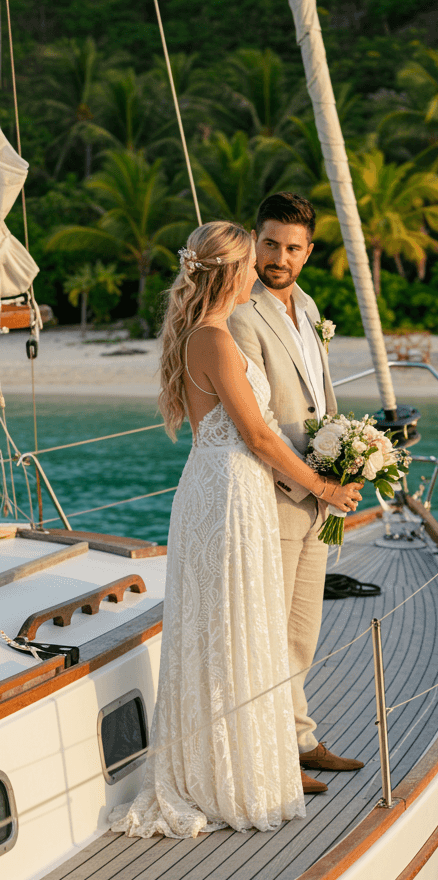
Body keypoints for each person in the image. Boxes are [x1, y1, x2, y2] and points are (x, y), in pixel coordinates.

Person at [111, 220, 362, 839]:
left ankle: (250, 758)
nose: (259, 269)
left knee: (237, 625)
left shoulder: (212, 333)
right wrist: (326, 487)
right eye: (252, 260)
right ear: (232, 272)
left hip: (234, 488)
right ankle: (228, 772)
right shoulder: (216, 340)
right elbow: (256, 435)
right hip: (228, 489)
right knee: (231, 627)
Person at [228, 192, 364, 797]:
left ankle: (302, 737)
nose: (278, 257)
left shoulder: (308, 310)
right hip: (277, 493)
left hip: (317, 495)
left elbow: (317, 401)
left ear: (309, 253)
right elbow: (257, 422)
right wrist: (318, 482)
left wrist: (349, 457)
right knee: (270, 629)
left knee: (301, 630)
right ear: (254, 242)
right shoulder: (240, 315)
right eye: (269, 243)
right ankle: (276, 756)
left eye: (291, 247)